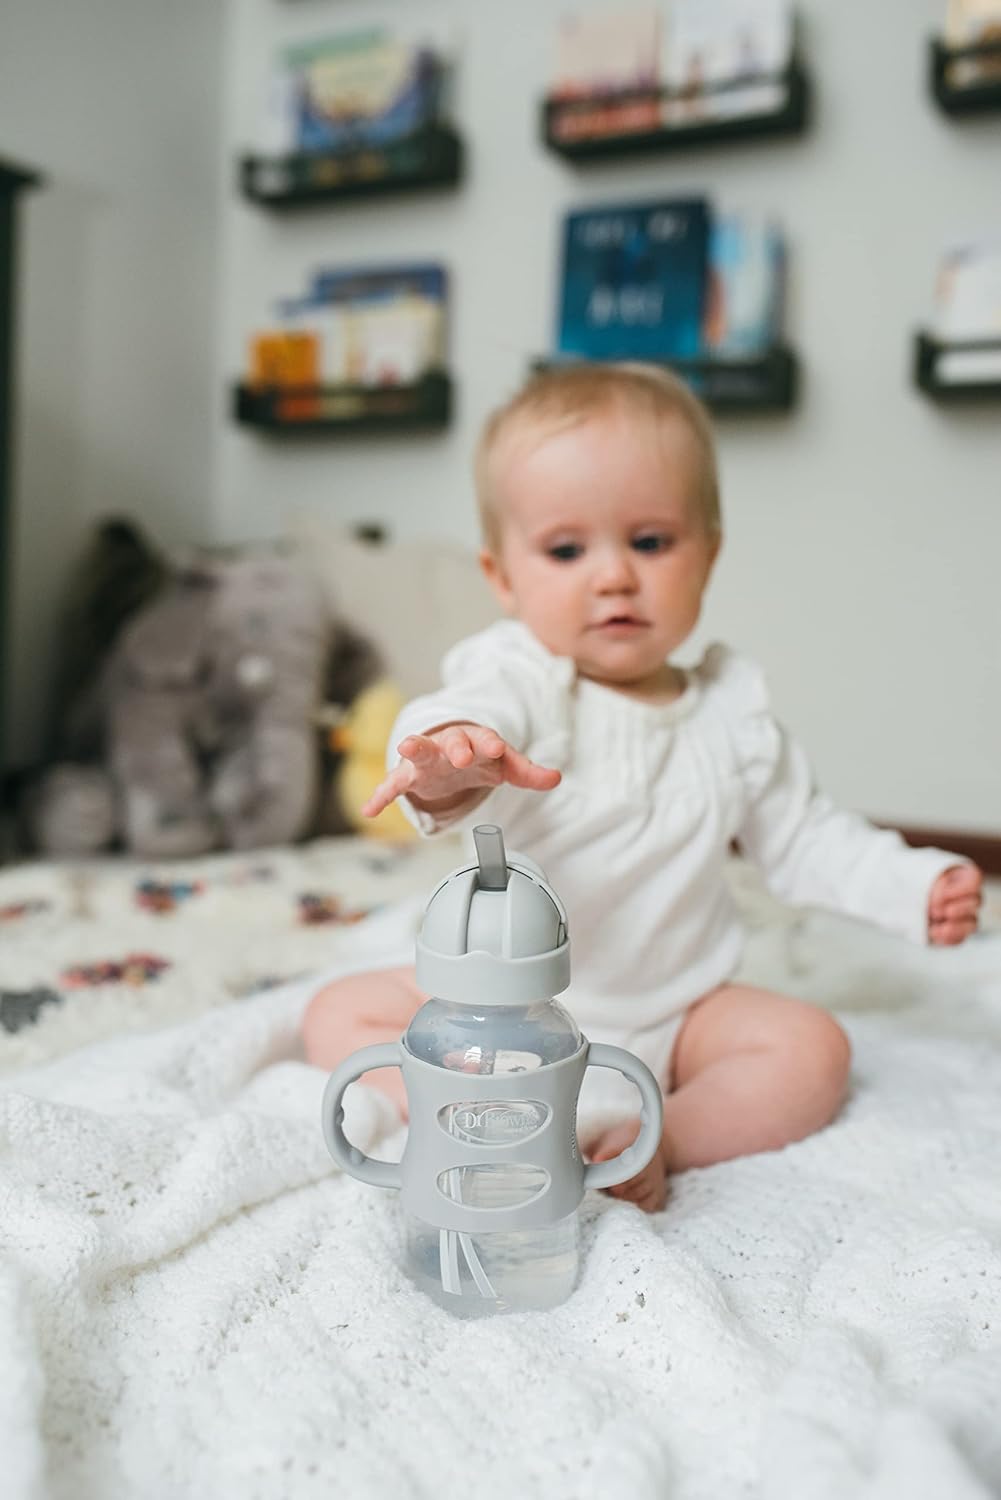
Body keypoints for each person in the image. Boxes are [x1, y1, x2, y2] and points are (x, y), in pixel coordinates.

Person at [303, 363, 983, 1212]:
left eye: (650, 541)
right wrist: (449, 757)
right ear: (504, 577)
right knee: (337, 1016)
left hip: (678, 1009)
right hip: (502, 1009)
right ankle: (500, 1115)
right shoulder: (519, 678)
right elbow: (468, 722)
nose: (613, 576)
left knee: (812, 1051)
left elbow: (806, 837)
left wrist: (909, 886)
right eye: (565, 549)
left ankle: (652, 1137)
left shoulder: (732, 715)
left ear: (708, 552)